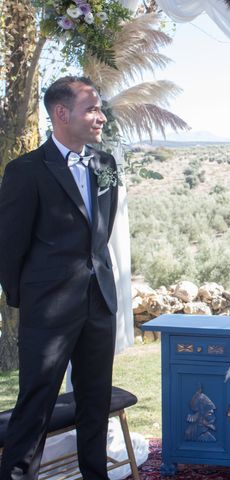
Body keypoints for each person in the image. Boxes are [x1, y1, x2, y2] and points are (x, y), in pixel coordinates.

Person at [0, 76, 119, 480]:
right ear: (61, 113)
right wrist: (29, 300)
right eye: (92, 109)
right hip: (47, 311)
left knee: (95, 402)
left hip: (99, 303)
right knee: (35, 406)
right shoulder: (25, 171)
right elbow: (9, 246)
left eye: (100, 108)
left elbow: (101, 231)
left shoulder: (106, 165)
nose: (100, 117)